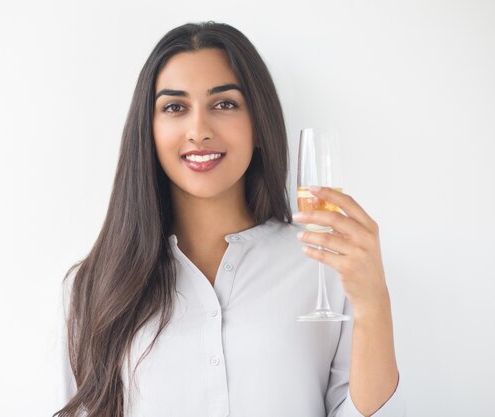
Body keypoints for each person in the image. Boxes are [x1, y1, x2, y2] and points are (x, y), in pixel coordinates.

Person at [55, 21, 406, 417]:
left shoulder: (324, 265)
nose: (199, 130)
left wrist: (375, 303)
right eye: (174, 107)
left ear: (258, 124)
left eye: (224, 104)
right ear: (148, 131)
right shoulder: (93, 289)